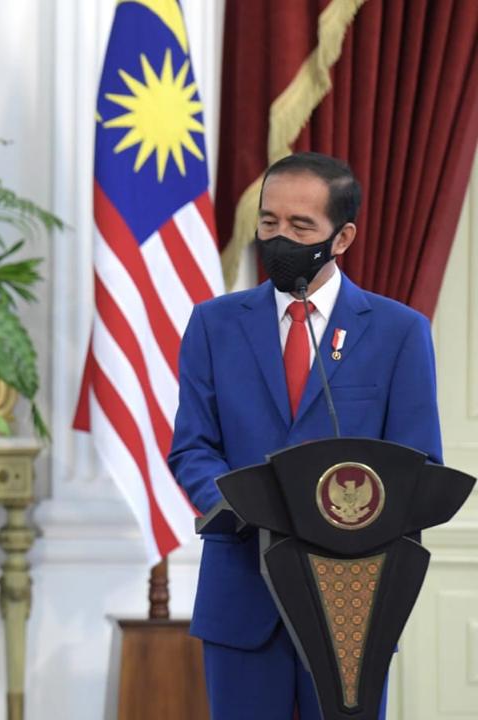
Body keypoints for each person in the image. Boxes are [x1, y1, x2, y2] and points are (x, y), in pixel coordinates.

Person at [168, 152, 441, 719]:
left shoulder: (399, 333)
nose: (278, 238)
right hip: (242, 598)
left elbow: (419, 467)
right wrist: (244, 505)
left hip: (351, 605)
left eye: (300, 227)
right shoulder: (213, 325)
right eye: (269, 223)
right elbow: (191, 447)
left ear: (341, 237)